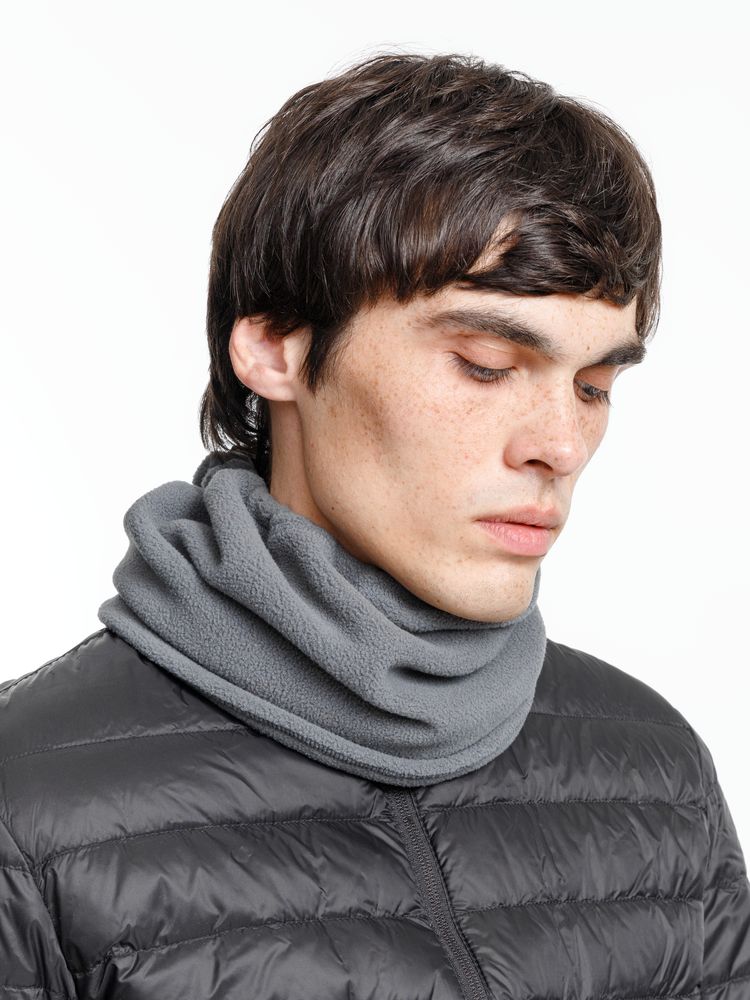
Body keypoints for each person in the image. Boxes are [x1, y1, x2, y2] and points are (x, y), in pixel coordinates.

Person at [1, 51, 748, 1000]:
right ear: (274, 345)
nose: (562, 444)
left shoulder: (656, 772)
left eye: (595, 385)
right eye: (485, 364)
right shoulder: (23, 803)